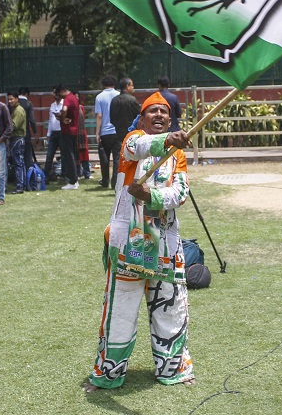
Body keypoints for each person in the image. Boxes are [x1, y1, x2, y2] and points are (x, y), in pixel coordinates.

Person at [83, 92, 195, 392]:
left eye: (164, 112)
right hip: (127, 244)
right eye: (152, 111)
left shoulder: (179, 155)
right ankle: (108, 374)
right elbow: (140, 148)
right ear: (142, 118)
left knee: (170, 308)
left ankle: (173, 369)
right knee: (120, 312)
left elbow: (180, 193)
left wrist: (152, 197)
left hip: (165, 246)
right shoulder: (132, 140)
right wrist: (169, 140)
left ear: (170, 119)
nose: (158, 115)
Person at [109, 78, 141, 189]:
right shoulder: (132, 100)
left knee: (118, 159)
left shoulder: (114, 101)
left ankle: (115, 183)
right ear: (127, 86)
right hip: (132, 135)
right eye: (132, 85)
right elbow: (140, 116)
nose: (133, 87)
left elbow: (112, 119)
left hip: (118, 133)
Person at [94, 76, 119, 189]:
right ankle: (115, 182)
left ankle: (105, 181)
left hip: (105, 131)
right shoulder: (118, 95)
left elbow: (99, 115)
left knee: (104, 158)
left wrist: (97, 132)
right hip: (117, 131)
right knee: (117, 158)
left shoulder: (99, 97)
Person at [57, 84, 80, 190]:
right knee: (72, 155)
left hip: (68, 131)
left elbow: (65, 108)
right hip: (74, 130)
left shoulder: (67, 99)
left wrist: (62, 117)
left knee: (68, 155)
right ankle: (75, 179)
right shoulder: (74, 98)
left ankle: (72, 181)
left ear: (62, 92)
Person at [7, 91, 27, 194]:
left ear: (16, 99)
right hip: (17, 139)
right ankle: (21, 185)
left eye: (12, 99)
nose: (10, 101)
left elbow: (13, 126)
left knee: (18, 163)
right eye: (9, 99)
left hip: (17, 139)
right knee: (19, 162)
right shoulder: (14, 109)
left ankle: (20, 186)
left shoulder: (18, 110)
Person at [43, 88, 63, 181]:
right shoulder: (52, 105)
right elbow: (51, 121)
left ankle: (64, 175)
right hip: (54, 133)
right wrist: (48, 133)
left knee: (64, 155)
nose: (55, 95)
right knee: (49, 155)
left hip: (62, 132)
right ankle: (47, 175)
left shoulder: (65, 104)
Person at [18, 87, 38, 171]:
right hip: (25, 132)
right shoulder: (28, 104)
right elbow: (32, 120)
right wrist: (35, 133)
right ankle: (28, 175)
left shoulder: (12, 103)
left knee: (17, 155)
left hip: (14, 134)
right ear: (27, 94)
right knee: (27, 155)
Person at [75, 91, 92, 179]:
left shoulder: (81, 108)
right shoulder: (71, 108)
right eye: (75, 96)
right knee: (76, 154)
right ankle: (77, 173)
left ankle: (87, 173)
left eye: (77, 96)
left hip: (82, 134)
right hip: (74, 134)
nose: (76, 98)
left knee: (84, 154)